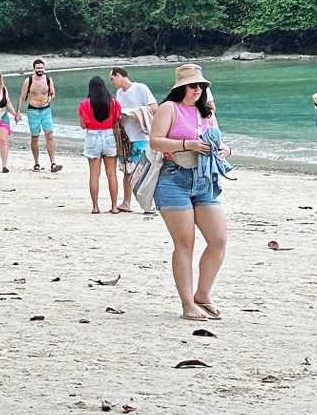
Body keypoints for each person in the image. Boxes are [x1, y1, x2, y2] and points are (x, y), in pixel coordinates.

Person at [149, 63, 229, 320]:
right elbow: (155, 141)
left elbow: (217, 139)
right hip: (174, 178)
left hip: (204, 179)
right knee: (184, 244)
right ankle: (187, 304)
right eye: (194, 86)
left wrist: (225, 150)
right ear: (182, 87)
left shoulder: (206, 112)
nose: (198, 90)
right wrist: (187, 144)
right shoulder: (168, 108)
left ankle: (202, 294)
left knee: (218, 239)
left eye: (202, 86)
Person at [111, 67, 155, 211]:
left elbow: (154, 108)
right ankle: (126, 202)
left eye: (112, 78)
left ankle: (148, 204)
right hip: (125, 138)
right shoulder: (118, 93)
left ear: (119, 75)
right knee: (126, 171)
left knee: (142, 170)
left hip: (141, 136)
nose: (112, 82)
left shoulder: (140, 88)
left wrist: (135, 113)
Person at [78, 75, 123, 214]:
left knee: (94, 174)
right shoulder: (114, 103)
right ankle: (114, 206)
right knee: (111, 174)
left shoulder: (84, 104)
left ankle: (95, 207)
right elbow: (117, 121)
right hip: (109, 135)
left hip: (92, 136)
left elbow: (83, 125)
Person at [18, 59, 62, 173]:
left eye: (41, 68)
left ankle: (53, 163)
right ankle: (36, 163)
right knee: (35, 137)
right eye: (37, 68)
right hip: (33, 111)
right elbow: (22, 97)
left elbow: (53, 93)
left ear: (44, 68)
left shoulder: (48, 79)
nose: (40, 70)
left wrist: (50, 98)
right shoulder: (28, 81)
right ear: (34, 69)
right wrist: (18, 112)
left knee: (49, 134)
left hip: (46, 110)